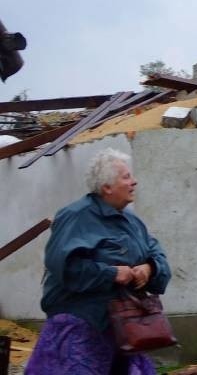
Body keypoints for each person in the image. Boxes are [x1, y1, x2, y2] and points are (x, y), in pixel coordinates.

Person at [26, 148, 171, 375]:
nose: (134, 182)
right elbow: (64, 267)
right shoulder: (76, 216)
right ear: (107, 187)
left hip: (125, 327)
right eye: (126, 177)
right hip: (81, 325)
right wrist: (111, 273)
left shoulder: (132, 220)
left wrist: (150, 268)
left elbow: (156, 253)